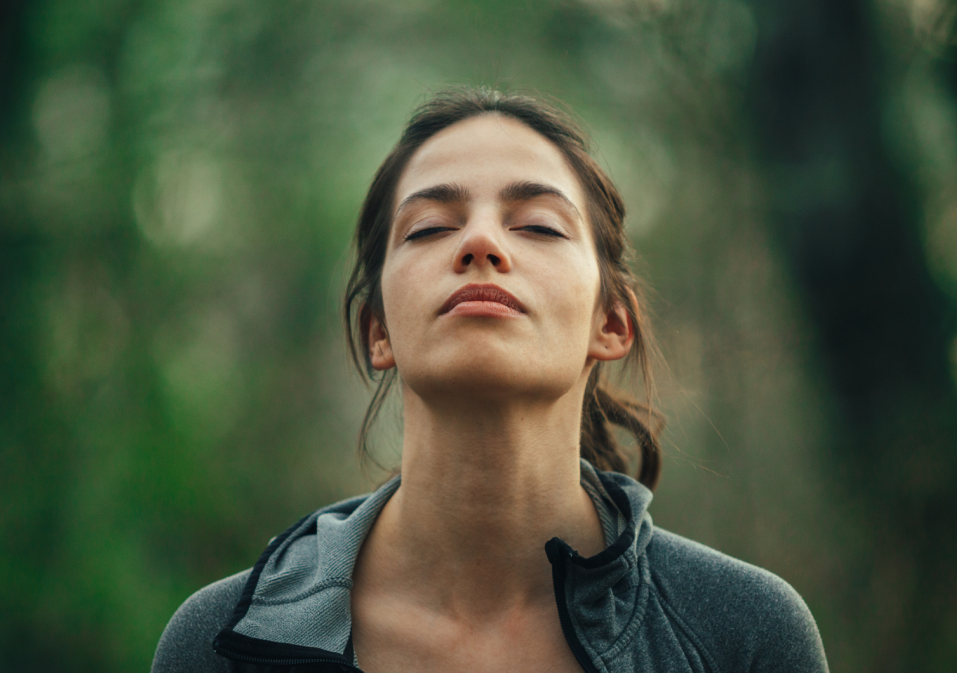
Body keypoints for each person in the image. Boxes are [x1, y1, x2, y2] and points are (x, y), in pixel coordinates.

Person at [152, 88, 829, 673]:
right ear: (377, 331)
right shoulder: (220, 642)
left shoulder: (743, 633)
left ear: (612, 323)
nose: (480, 243)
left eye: (537, 224)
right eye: (429, 228)